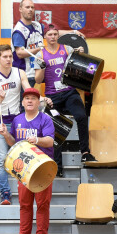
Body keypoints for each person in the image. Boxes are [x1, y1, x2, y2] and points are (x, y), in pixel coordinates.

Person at [0, 44, 51, 205]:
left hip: (17, 121)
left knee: (23, 157)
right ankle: (5, 194)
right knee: (1, 159)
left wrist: (42, 99)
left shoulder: (19, 72)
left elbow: (29, 90)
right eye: (5, 57)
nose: (9, 59)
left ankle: (27, 187)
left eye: (10, 56)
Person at [34, 24, 97, 175]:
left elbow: (80, 65)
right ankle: (57, 166)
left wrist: (80, 53)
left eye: (55, 34)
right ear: (45, 37)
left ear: (58, 35)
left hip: (69, 92)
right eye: (50, 34)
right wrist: (42, 67)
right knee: (54, 128)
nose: (53, 37)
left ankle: (85, 152)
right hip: (52, 96)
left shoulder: (66, 48)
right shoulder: (41, 54)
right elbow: (37, 79)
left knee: (81, 116)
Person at [0, 88, 55, 234]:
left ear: (39, 102)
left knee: (43, 205)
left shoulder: (46, 119)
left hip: (43, 168)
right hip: (24, 169)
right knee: (25, 204)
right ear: (22, 102)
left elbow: (50, 141)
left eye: (33, 98)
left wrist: (37, 139)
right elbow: (13, 142)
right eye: (27, 98)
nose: (30, 101)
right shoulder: (17, 120)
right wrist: (5, 134)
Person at [12, 0, 84, 87]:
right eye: (27, 7)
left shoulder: (37, 25)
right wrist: (40, 49)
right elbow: (19, 53)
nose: (30, 9)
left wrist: (73, 32)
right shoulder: (19, 30)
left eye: (32, 7)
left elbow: (52, 32)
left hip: (37, 70)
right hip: (25, 73)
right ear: (20, 9)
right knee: (25, 100)